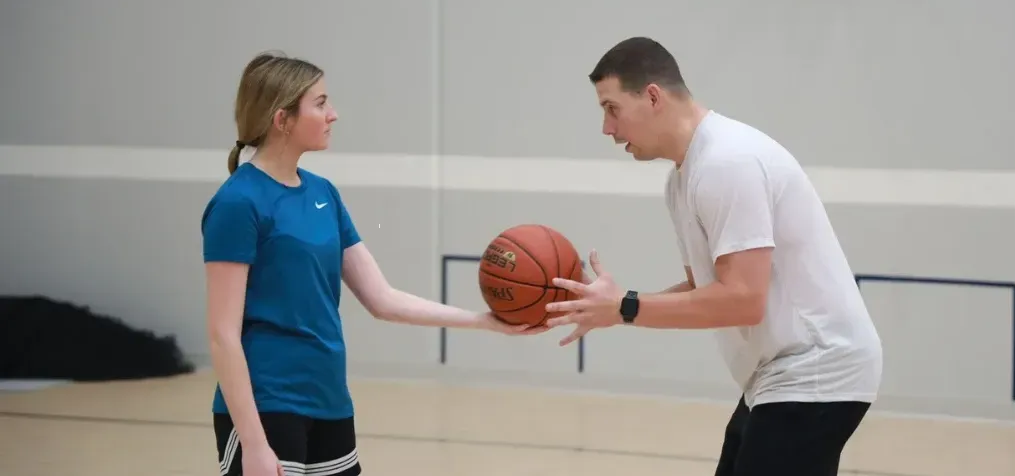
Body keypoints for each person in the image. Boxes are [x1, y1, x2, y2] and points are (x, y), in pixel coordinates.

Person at [544, 37, 884, 476]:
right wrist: (615, 307)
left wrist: (625, 307)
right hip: (780, 376)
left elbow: (741, 300)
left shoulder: (727, 162)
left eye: (611, 109)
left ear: (652, 96)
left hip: (816, 371)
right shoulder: (683, 179)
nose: (607, 129)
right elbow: (709, 290)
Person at [202, 51, 543, 476]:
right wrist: (252, 442)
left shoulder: (323, 192)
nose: (334, 114)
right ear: (282, 118)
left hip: (329, 401)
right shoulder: (239, 202)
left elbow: (382, 299)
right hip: (267, 405)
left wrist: (486, 321)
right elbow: (222, 334)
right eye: (321, 103)